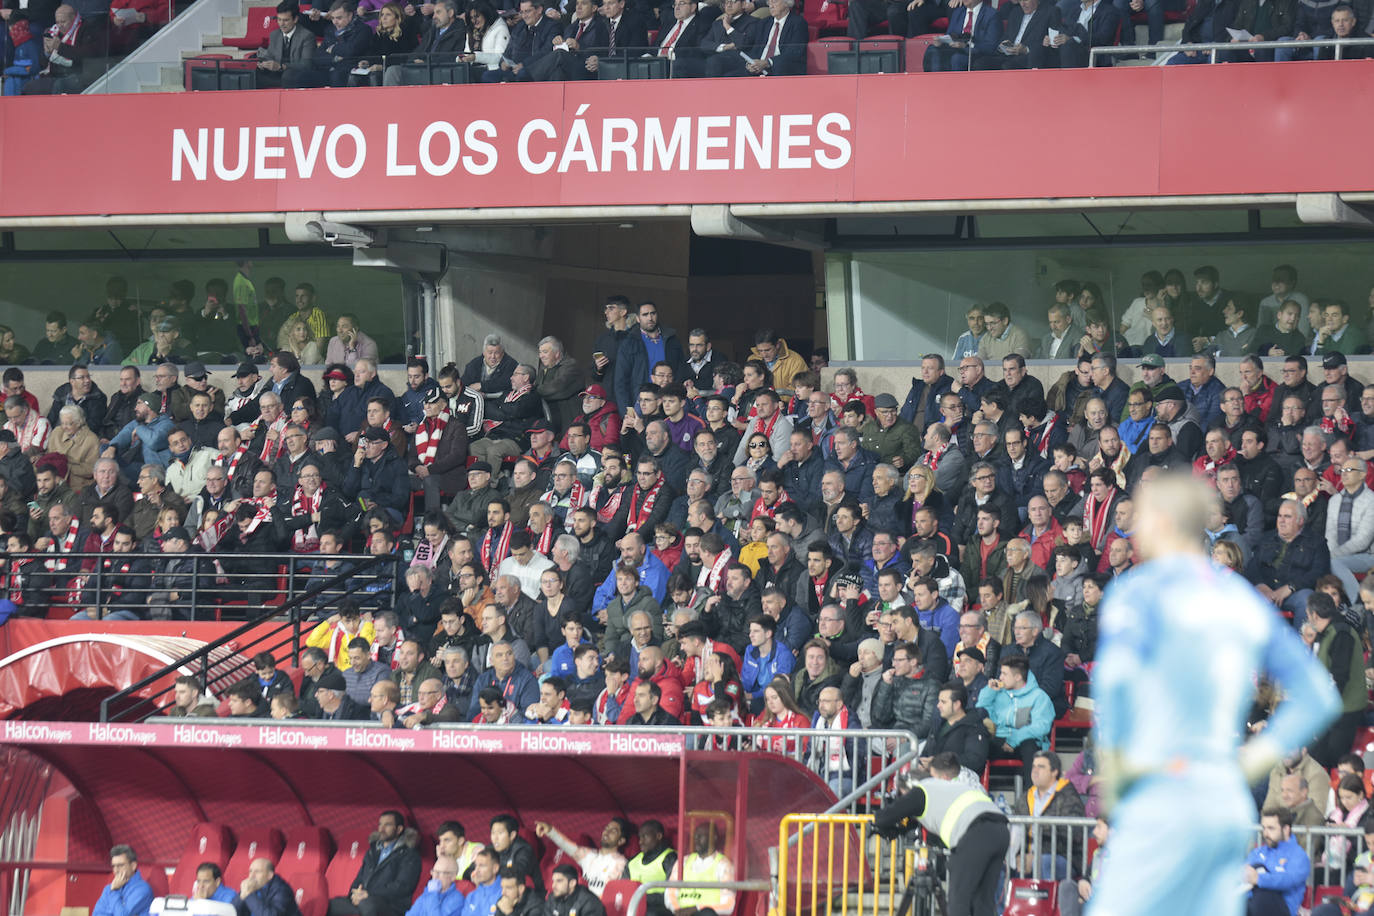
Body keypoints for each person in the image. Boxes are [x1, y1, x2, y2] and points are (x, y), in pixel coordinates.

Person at [1090, 474, 1340, 916]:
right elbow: (1318, 696)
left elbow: (1114, 693)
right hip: (1219, 797)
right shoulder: (1238, 598)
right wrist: (1254, 759)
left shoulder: (1135, 593)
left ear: (1161, 523)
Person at [872, 752, 1009, 916]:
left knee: (960, 899)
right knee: (982, 902)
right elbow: (917, 820)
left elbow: (887, 816)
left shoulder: (923, 789)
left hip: (976, 833)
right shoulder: (949, 789)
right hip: (1000, 829)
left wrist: (874, 823)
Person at [327, 810, 422, 916]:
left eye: (387, 825)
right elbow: (360, 877)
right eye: (380, 824)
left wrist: (369, 894)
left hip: (391, 905)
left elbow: (402, 886)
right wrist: (354, 894)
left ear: (399, 829)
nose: (381, 829)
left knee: (368, 906)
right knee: (331, 905)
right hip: (365, 898)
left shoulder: (409, 855)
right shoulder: (373, 851)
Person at [533, 818, 630, 895]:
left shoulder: (621, 863)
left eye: (613, 831)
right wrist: (550, 830)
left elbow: (619, 895)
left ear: (621, 841)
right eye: (606, 828)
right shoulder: (589, 855)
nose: (606, 833)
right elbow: (566, 845)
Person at [1243, 809, 1311, 916]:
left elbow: (1288, 880)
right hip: (1252, 904)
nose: (1265, 834)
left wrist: (1258, 879)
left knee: (1262, 892)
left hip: (1282, 909)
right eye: (1263, 828)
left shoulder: (1299, 856)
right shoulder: (1258, 852)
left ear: (1286, 829)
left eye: (1271, 828)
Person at [665, 822, 735, 916]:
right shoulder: (683, 861)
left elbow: (728, 905)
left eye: (701, 836)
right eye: (695, 836)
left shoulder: (723, 865)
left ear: (713, 838)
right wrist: (677, 910)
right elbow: (670, 893)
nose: (696, 840)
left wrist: (696, 908)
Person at [92, 844, 154, 916]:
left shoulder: (143, 889)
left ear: (133, 866)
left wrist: (114, 891)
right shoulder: (108, 889)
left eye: (120, 865)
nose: (116, 870)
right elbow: (97, 914)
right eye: (113, 866)